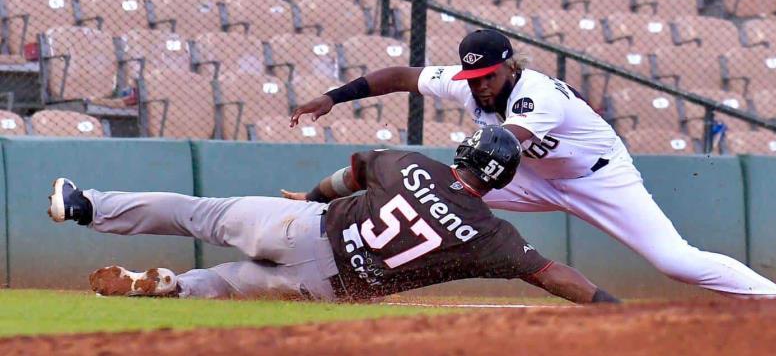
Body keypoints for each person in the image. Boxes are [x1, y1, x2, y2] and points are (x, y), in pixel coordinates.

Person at [290, 29, 776, 301]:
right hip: (528, 178)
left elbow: (508, 143)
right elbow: (400, 76)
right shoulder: (466, 85)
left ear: (509, 67)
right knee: (420, 192)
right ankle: (316, 212)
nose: (479, 84)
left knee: (676, 262)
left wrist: (469, 168)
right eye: (471, 77)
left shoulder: (538, 95)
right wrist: (336, 97)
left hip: (597, 178)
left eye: (488, 76)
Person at [48, 126, 620, 304]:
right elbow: (551, 274)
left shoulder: (411, 165)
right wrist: (607, 305)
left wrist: (314, 196)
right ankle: (174, 287)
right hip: (330, 285)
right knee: (224, 285)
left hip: (311, 225)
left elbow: (353, 173)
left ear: (465, 154)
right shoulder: (493, 235)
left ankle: (88, 204)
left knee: (197, 215)